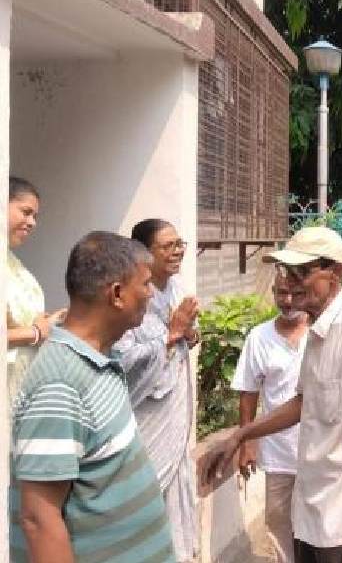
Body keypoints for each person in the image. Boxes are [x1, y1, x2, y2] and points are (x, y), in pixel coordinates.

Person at [198, 226, 342, 563]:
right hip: (313, 509)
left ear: (335, 272)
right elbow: (304, 403)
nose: (292, 282)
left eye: (302, 271)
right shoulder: (316, 329)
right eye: (287, 272)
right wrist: (242, 434)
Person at [9, 231, 175, 562]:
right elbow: (39, 520)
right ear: (116, 294)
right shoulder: (60, 383)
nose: (150, 293)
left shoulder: (98, 359)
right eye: (145, 284)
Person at [114, 219, 199, 562]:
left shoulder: (177, 291)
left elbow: (181, 342)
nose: (178, 251)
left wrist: (187, 335)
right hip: (147, 426)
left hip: (174, 424)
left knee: (175, 518)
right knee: (143, 516)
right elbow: (122, 363)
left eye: (181, 243)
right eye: (168, 246)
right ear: (144, 254)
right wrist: (172, 333)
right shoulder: (129, 302)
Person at [230, 274, 309, 563]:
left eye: (296, 293)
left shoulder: (323, 332)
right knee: (278, 523)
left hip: (320, 450)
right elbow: (248, 392)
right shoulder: (259, 337)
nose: (288, 301)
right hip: (279, 454)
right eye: (281, 292)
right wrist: (246, 442)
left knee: (318, 527)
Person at [6, 176, 66, 408]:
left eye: (35, 216)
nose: (32, 222)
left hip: (20, 389)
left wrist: (50, 322)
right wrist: (36, 332)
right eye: (25, 212)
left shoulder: (11, 263)